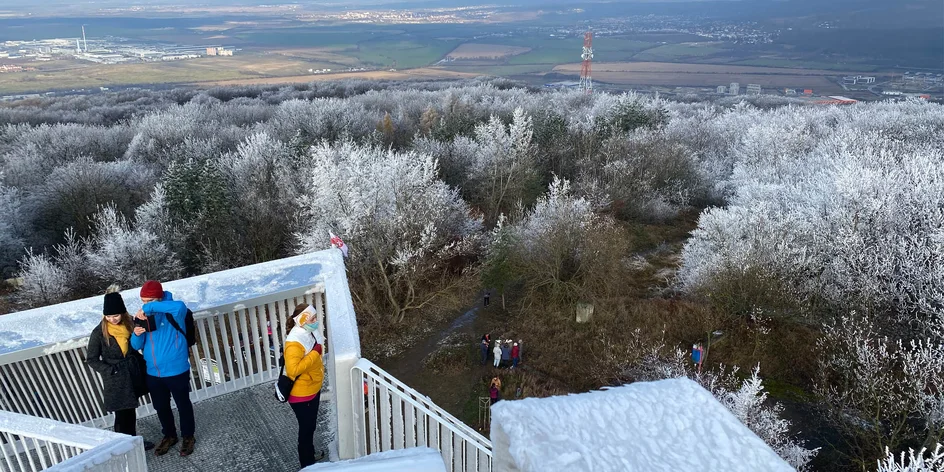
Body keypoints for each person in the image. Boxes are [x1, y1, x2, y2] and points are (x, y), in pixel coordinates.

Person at [131, 280, 196, 457]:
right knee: (161, 406)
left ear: (159, 298)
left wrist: (149, 308)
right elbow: (136, 344)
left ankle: (188, 436)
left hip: (177, 370)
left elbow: (180, 307)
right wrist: (136, 334)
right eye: (143, 301)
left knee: (183, 405)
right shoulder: (143, 316)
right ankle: (169, 435)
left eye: (149, 300)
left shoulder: (174, 311)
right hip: (153, 372)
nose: (145, 304)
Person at [86, 288, 153, 450]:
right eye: (108, 316)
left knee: (129, 412)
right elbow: (92, 359)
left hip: (133, 372)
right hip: (116, 378)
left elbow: (144, 331)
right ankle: (125, 446)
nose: (112, 319)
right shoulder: (99, 332)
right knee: (122, 414)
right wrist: (110, 370)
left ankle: (132, 444)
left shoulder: (130, 322)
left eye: (116, 315)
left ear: (122, 313)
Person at [284, 304, 326, 467]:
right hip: (301, 395)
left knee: (310, 427)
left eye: (315, 317)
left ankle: (310, 455)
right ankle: (307, 465)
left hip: (311, 388)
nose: (316, 321)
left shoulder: (306, 332)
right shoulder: (294, 342)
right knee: (306, 431)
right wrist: (316, 352)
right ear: (302, 320)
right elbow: (292, 370)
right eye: (312, 319)